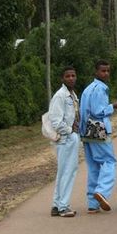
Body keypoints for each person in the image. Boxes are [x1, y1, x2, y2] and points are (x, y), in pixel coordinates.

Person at [79, 60, 117, 213]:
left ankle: (93, 204)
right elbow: (98, 111)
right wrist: (114, 106)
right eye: (103, 71)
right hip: (98, 129)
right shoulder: (100, 89)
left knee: (93, 167)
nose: (106, 74)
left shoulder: (87, 89)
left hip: (86, 131)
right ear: (96, 72)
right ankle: (102, 191)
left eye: (108, 71)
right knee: (109, 162)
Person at [47, 66, 81, 218]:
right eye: (67, 76)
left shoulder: (72, 95)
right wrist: (69, 130)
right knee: (68, 171)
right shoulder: (60, 96)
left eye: (73, 75)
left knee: (63, 172)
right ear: (62, 78)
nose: (71, 78)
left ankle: (56, 204)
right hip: (65, 139)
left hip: (71, 138)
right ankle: (63, 206)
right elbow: (55, 121)